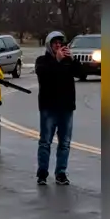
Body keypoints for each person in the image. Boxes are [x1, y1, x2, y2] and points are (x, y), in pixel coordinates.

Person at [34, 31, 83, 185]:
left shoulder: (68, 61)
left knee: (65, 143)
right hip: (49, 107)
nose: (58, 45)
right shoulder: (42, 61)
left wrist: (73, 59)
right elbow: (44, 75)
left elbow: (80, 73)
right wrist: (56, 60)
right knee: (45, 142)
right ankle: (42, 173)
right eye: (55, 43)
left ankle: (61, 173)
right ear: (49, 45)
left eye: (60, 43)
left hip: (66, 107)